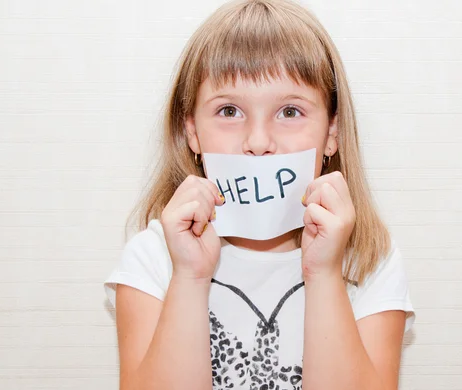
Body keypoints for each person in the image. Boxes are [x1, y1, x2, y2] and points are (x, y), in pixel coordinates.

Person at [103, 0, 415, 389]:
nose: (259, 142)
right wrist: (189, 276)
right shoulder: (155, 260)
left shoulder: (367, 262)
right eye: (230, 111)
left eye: (289, 112)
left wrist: (324, 273)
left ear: (332, 132)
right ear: (192, 132)